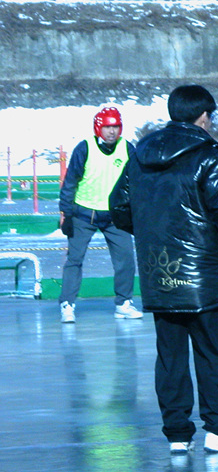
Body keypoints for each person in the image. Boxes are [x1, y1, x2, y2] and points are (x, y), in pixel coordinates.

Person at [110, 84, 218, 454]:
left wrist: (154, 232)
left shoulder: (141, 154)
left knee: (170, 356)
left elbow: (118, 206)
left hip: (158, 271)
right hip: (203, 272)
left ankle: (178, 434)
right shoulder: (208, 154)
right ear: (204, 116)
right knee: (212, 353)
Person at [58, 105, 143, 323]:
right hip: (83, 214)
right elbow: (70, 183)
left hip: (114, 217)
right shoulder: (84, 148)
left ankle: (123, 303)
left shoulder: (127, 148)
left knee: (125, 259)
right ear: (98, 127)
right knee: (74, 260)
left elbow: (136, 181)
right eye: (107, 127)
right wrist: (66, 213)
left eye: (115, 126)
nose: (111, 131)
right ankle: (67, 304)